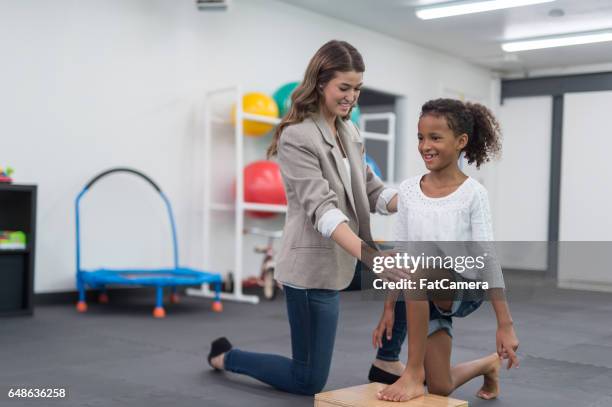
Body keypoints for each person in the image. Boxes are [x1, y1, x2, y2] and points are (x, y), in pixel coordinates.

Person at [206, 40, 400, 395]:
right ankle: (227, 356)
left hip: (348, 256)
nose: (351, 97)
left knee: (417, 270)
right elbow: (323, 211)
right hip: (312, 270)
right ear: (321, 82)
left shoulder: (350, 132)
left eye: (357, 89)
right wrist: (374, 260)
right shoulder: (297, 137)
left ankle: (387, 361)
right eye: (344, 88)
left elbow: (372, 190)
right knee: (307, 380)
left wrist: (418, 200)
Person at [372, 98, 520, 402]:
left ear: (461, 142)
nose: (425, 145)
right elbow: (401, 252)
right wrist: (389, 308)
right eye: (420, 137)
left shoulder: (473, 194)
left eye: (435, 137)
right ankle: (487, 365)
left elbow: (487, 258)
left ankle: (412, 374)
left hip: (464, 289)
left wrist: (505, 325)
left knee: (420, 268)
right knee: (440, 386)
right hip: (424, 290)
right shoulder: (410, 190)